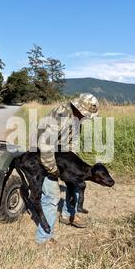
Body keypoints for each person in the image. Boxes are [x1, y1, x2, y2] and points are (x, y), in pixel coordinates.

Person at [36, 93, 99, 245]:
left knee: (76, 183)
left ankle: (68, 215)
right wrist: (52, 169)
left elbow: (73, 141)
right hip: (46, 156)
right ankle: (44, 237)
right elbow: (44, 145)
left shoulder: (77, 118)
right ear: (79, 108)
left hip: (63, 157)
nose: (86, 118)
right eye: (86, 114)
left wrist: (74, 166)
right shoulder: (60, 116)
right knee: (51, 197)